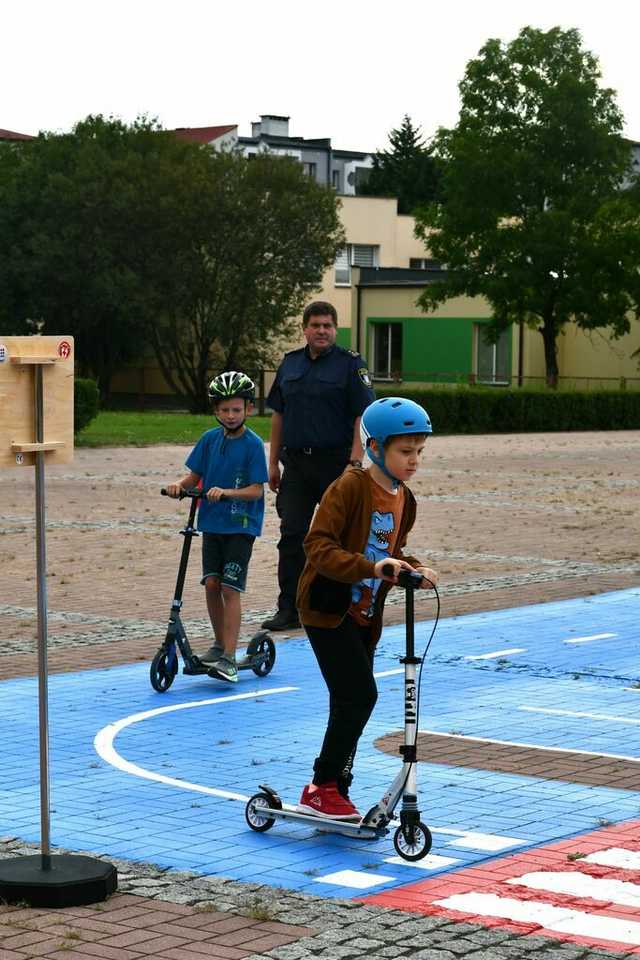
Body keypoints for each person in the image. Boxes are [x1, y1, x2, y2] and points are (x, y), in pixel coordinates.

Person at [295, 397, 439, 820]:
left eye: (419, 452)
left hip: (364, 616)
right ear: (375, 448)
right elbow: (317, 546)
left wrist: (412, 567)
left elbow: (391, 548)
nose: (413, 461)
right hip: (326, 609)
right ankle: (321, 786)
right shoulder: (350, 486)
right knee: (360, 695)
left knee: (349, 700)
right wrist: (371, 566)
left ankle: (337, 787)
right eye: (404, 451)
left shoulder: (404, 498)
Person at [262, 300, 375, 632]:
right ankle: (290, 609)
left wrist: (355, 463)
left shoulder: (350, 365)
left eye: (327, 325)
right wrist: (273, 463)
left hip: (336, 465)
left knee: (336, 540)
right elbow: (278, 415)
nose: (321, 331)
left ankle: (339, 606)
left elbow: (362, 416)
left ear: (335, 329)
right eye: (315, 325)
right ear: (305, 329)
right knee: (292, 536)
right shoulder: (290, 364)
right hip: (296, 466)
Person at [165, 372, 268, 684]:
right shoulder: (209, 439)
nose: (230, 415)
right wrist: (178, 486)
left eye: (237, 409)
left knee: (229, 587)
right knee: (211, 584)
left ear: (248, 409)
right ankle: (219, 644)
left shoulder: (252, 445)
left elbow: (256, 490)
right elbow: (195, 476)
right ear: (215, 411)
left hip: (240, 527)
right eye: (224, 410)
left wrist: (226, 492)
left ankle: (229, 659)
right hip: (211, 524)